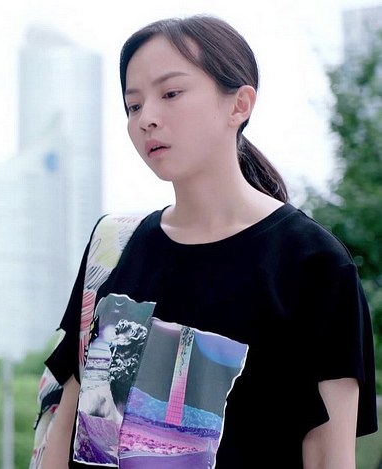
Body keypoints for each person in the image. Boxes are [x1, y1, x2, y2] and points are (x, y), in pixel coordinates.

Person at [40, 15, 377, 468]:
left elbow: (327, 457)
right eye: (133, 105)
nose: (146, 119)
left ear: (239, 104)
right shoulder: (112, 247)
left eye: (171, 94)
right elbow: (68, 425)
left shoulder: (312, 265)